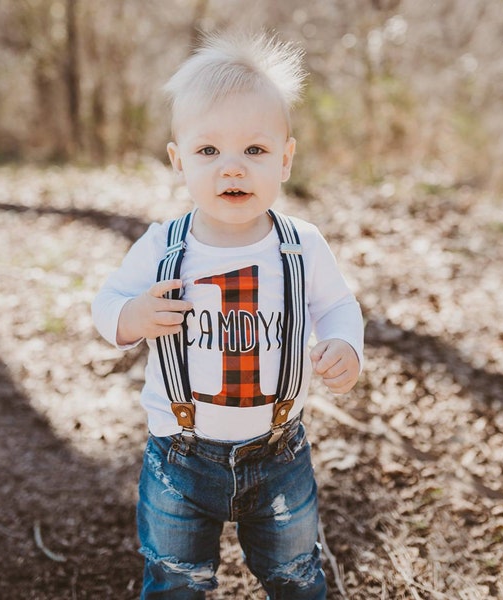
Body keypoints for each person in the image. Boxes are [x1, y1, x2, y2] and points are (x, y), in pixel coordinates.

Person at [92, 29, 364, 600]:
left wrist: (346, 345)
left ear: (285, 160)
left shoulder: (302, 246)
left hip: (280, 452)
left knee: (296, 575)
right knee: (174, 577)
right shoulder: (163, 244)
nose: (232, 169)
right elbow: (106, 306)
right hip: (180, 455)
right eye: (209, 151)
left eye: (255, 150)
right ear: (179, 161)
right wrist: (134, 316)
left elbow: (338, 306)